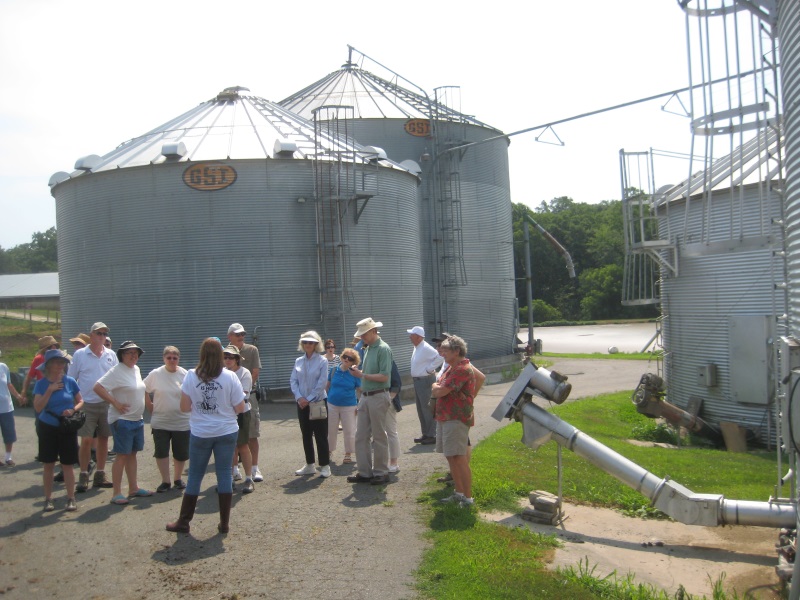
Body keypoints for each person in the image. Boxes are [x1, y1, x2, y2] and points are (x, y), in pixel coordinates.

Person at [166, 338, 245, 534]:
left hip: (201, 432)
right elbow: (240, 407)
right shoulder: (230, 377)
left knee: (194, 476)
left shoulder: (192, 376)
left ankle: (184, 521)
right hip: (226, 430)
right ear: (220, 355)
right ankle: (224, 523)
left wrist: (200, 409)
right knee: (224, 474)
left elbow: (184, 407)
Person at [93, 341, 152, 505]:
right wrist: (115, 403)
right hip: (122, 420)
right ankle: (117, 492)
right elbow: (98, 387)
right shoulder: (116, 371)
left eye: (136, 353)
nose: (133, 356)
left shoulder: (136, 369)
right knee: (122, 455)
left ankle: (133, 487)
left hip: (137, 420)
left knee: (132, 454)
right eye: (129, 353)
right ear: (121, 355)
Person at [68, 322, 117, 493]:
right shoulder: (80, 354)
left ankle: (100, 474)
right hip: (86, 403)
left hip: (106, 403)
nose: (102, 336)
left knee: (104, 439)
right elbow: (71, 379)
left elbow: (116, 377)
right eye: (98, 333)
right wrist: (74, 403)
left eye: (104, 334)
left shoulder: (111, 354)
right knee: (86, 440)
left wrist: (115, 399)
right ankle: (83, 474)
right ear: (91, 335)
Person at [33, 349, 83, 511]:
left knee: (67, 464)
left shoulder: (70, 382)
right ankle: (48, 499)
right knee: (48, 464)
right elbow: (38, 407)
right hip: (48, 426)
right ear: (48, 365)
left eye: (62, 362)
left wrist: (73, 410)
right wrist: (50, 389)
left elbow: (81, 401)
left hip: (66, 426)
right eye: (56, 362)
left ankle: (71, 498)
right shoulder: (41, 384)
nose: (60, 365)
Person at [431, 335, 477, 507]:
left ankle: (468, 498)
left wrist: (436, 387)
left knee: (459, 457)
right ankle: (459, 492)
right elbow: (438, 386)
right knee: (451, 456)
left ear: (456, 351)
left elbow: (441, 390)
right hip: (446, 417)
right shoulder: (452, 368)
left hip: (456, 419)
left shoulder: (462, 368)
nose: (441, 352)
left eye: (445, 349)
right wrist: (437, 387)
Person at [346, 317, 393, 485]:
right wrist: (360, 372)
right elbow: (373, 373)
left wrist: (362, 375)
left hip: (378, 395)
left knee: (379, 435)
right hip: (366, 396)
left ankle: (381, 472)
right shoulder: (368, 348)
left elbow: (385, 376)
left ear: (373, 331)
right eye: (361, 335)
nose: (362, 337)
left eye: (364, 334)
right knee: (361, 435)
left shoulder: (382, 349)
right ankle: (365, 472)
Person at [143, 346, 189, 492]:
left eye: (175, 358)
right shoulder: (156, 374)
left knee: (181, 453)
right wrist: (150, 407)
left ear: (178, 359)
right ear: (164, 358)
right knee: (161, 451)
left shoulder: (185, 374)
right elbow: (143, 389)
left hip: (181, 422)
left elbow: (192, 394)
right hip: (160, 421)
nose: (172, 360)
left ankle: (177, 479)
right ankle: (165, 481)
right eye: (168, 358)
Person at [290, 330, 330, 478]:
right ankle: (310, 464)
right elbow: (293, 380)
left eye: (311, 342)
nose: (308, 344)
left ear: (316, 344)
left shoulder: (322, 361)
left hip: (318, 401)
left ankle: (325, 465)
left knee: (320, 435)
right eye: (305, 342)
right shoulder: (298, 361)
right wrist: (300, 397)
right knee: (306, 434)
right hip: (302, 403)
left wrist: (309, 398)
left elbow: (322, 383)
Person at [227, 323, 264, 483]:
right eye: (237, 334)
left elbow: (255, 372)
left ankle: (254, 468)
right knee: (231, 436)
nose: (241, 336)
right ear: (230, 336)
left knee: (251, 434)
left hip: (249, 397)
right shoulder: (224, 352)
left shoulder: (251, 350)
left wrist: (244, 387)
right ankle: (234, 469)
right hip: (227, 402)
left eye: (242, 334)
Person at [223, 345, 255, 494]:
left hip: (241, 413)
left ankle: (249, 478)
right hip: (225, 414)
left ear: (237, 359)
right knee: (229, 447)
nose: (228, 360)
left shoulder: (244, 373)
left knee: (242, 445)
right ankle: (230, 478)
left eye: (231, 357)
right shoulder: (220, 373)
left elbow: (244, 394)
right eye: (225, 357)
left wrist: (225, 399)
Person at [407, 326, 443, 445]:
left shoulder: (425, 347)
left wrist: (429, 369)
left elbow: (440, 356)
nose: (410, 336)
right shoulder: (417, 347)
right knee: (421, 409)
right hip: (419, 381)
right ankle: (426, 433)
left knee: (427, 408)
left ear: (418, 337)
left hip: (425, 380)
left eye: (412, 334)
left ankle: (432, 434)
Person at [326, 347, 361, 464]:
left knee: (349, 430)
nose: (347, 359)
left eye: (350, 358)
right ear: (341, 357)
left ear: (354, 362)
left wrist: (360, 404)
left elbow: (360, 389)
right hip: (332, 404)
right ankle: (329, 451)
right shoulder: (333, 370)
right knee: (331, 429)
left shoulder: (354, 374)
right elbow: (327, 386)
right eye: (345, 357)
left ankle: (348, 453)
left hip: (349, 405)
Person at [1, 350, 25, 467]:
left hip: (6, 407)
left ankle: (8, 457)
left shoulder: (4, 367)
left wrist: (18, 396)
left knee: (9, 432)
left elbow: (8, 384)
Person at [21, 335, 60, 400]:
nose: (53, 348)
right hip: (43, 391)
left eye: (55, 346)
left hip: (58, 389)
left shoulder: (61, 358)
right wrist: (24, 392)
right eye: (50, 347)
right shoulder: (39, 359)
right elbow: (29, 377)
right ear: (44, 350)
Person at [387, 359, 402, 473]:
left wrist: (390, 398)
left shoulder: (389, 361)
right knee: (378, 434)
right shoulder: (367, 359)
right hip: (372, 401)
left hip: (388, 401)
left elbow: (397, 383)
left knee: (391, 431)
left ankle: (394, 462)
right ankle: (381, 463)